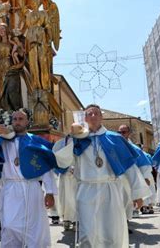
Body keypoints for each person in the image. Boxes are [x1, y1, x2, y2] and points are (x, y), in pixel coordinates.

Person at [53, 105, 149, 248]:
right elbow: (63, 160)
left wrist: (137, 194)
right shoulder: (77, 139)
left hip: (110, 188)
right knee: (87, 233)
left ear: (101, 117)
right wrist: (72, 137)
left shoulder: (115, 138)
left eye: (96, 113)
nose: (92, 116)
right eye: (89, 114)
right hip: (86, 189)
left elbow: (130, 167)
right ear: (84, 118)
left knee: (112, 231)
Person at [0, 109, 58, 248]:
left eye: (21, 119)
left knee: (35, 228)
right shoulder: (3, 142)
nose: (17, 122)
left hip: (31, 188)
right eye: (14, 119)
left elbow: (45, 168)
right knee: (9, 226)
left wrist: (49, 192)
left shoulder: (36, 141)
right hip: (11, 190)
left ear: (27, 122)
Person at [117, 125, 154, 221]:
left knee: (130, 198)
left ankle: (128, 218)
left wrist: (146, 178)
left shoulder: (135, 149)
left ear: (129, 133)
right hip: (117, 178)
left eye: (124, 132)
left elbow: (144, 164)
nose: (121, 134)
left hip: (131, 177)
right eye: (119, 132)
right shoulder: (114, 147)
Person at [58, 166, 77, 231]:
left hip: (76, 173)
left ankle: (76, 221)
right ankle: (66, 219)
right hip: (64, 172)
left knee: (75, 198)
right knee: (64, 198)